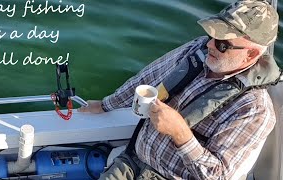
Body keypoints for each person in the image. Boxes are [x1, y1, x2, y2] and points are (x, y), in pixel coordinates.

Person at [78, 0, 280, 179]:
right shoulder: (198, 50)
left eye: (222, 44)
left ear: (250, 54)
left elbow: (218, 176)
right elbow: (148, 77)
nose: (209, 44)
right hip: (132, 161)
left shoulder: (255, 110)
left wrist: (181, 133)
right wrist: (106, 105)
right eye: (212, 35)